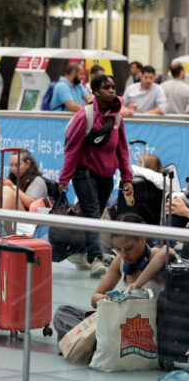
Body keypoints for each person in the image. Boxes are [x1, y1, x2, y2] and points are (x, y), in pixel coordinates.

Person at [60, 74, 133, 277]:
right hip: (84, 172)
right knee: (92, 213)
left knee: (94, 214)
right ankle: (95, 258)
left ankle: (81, 253)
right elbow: (72, 150)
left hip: (106, 175)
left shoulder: (118, 118)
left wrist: (127, 177)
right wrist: (64, 178)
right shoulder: (84, 117)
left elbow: (122, 150)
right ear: (95, 92)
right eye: (106, 87)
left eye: (113, 86)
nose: (111, 90)